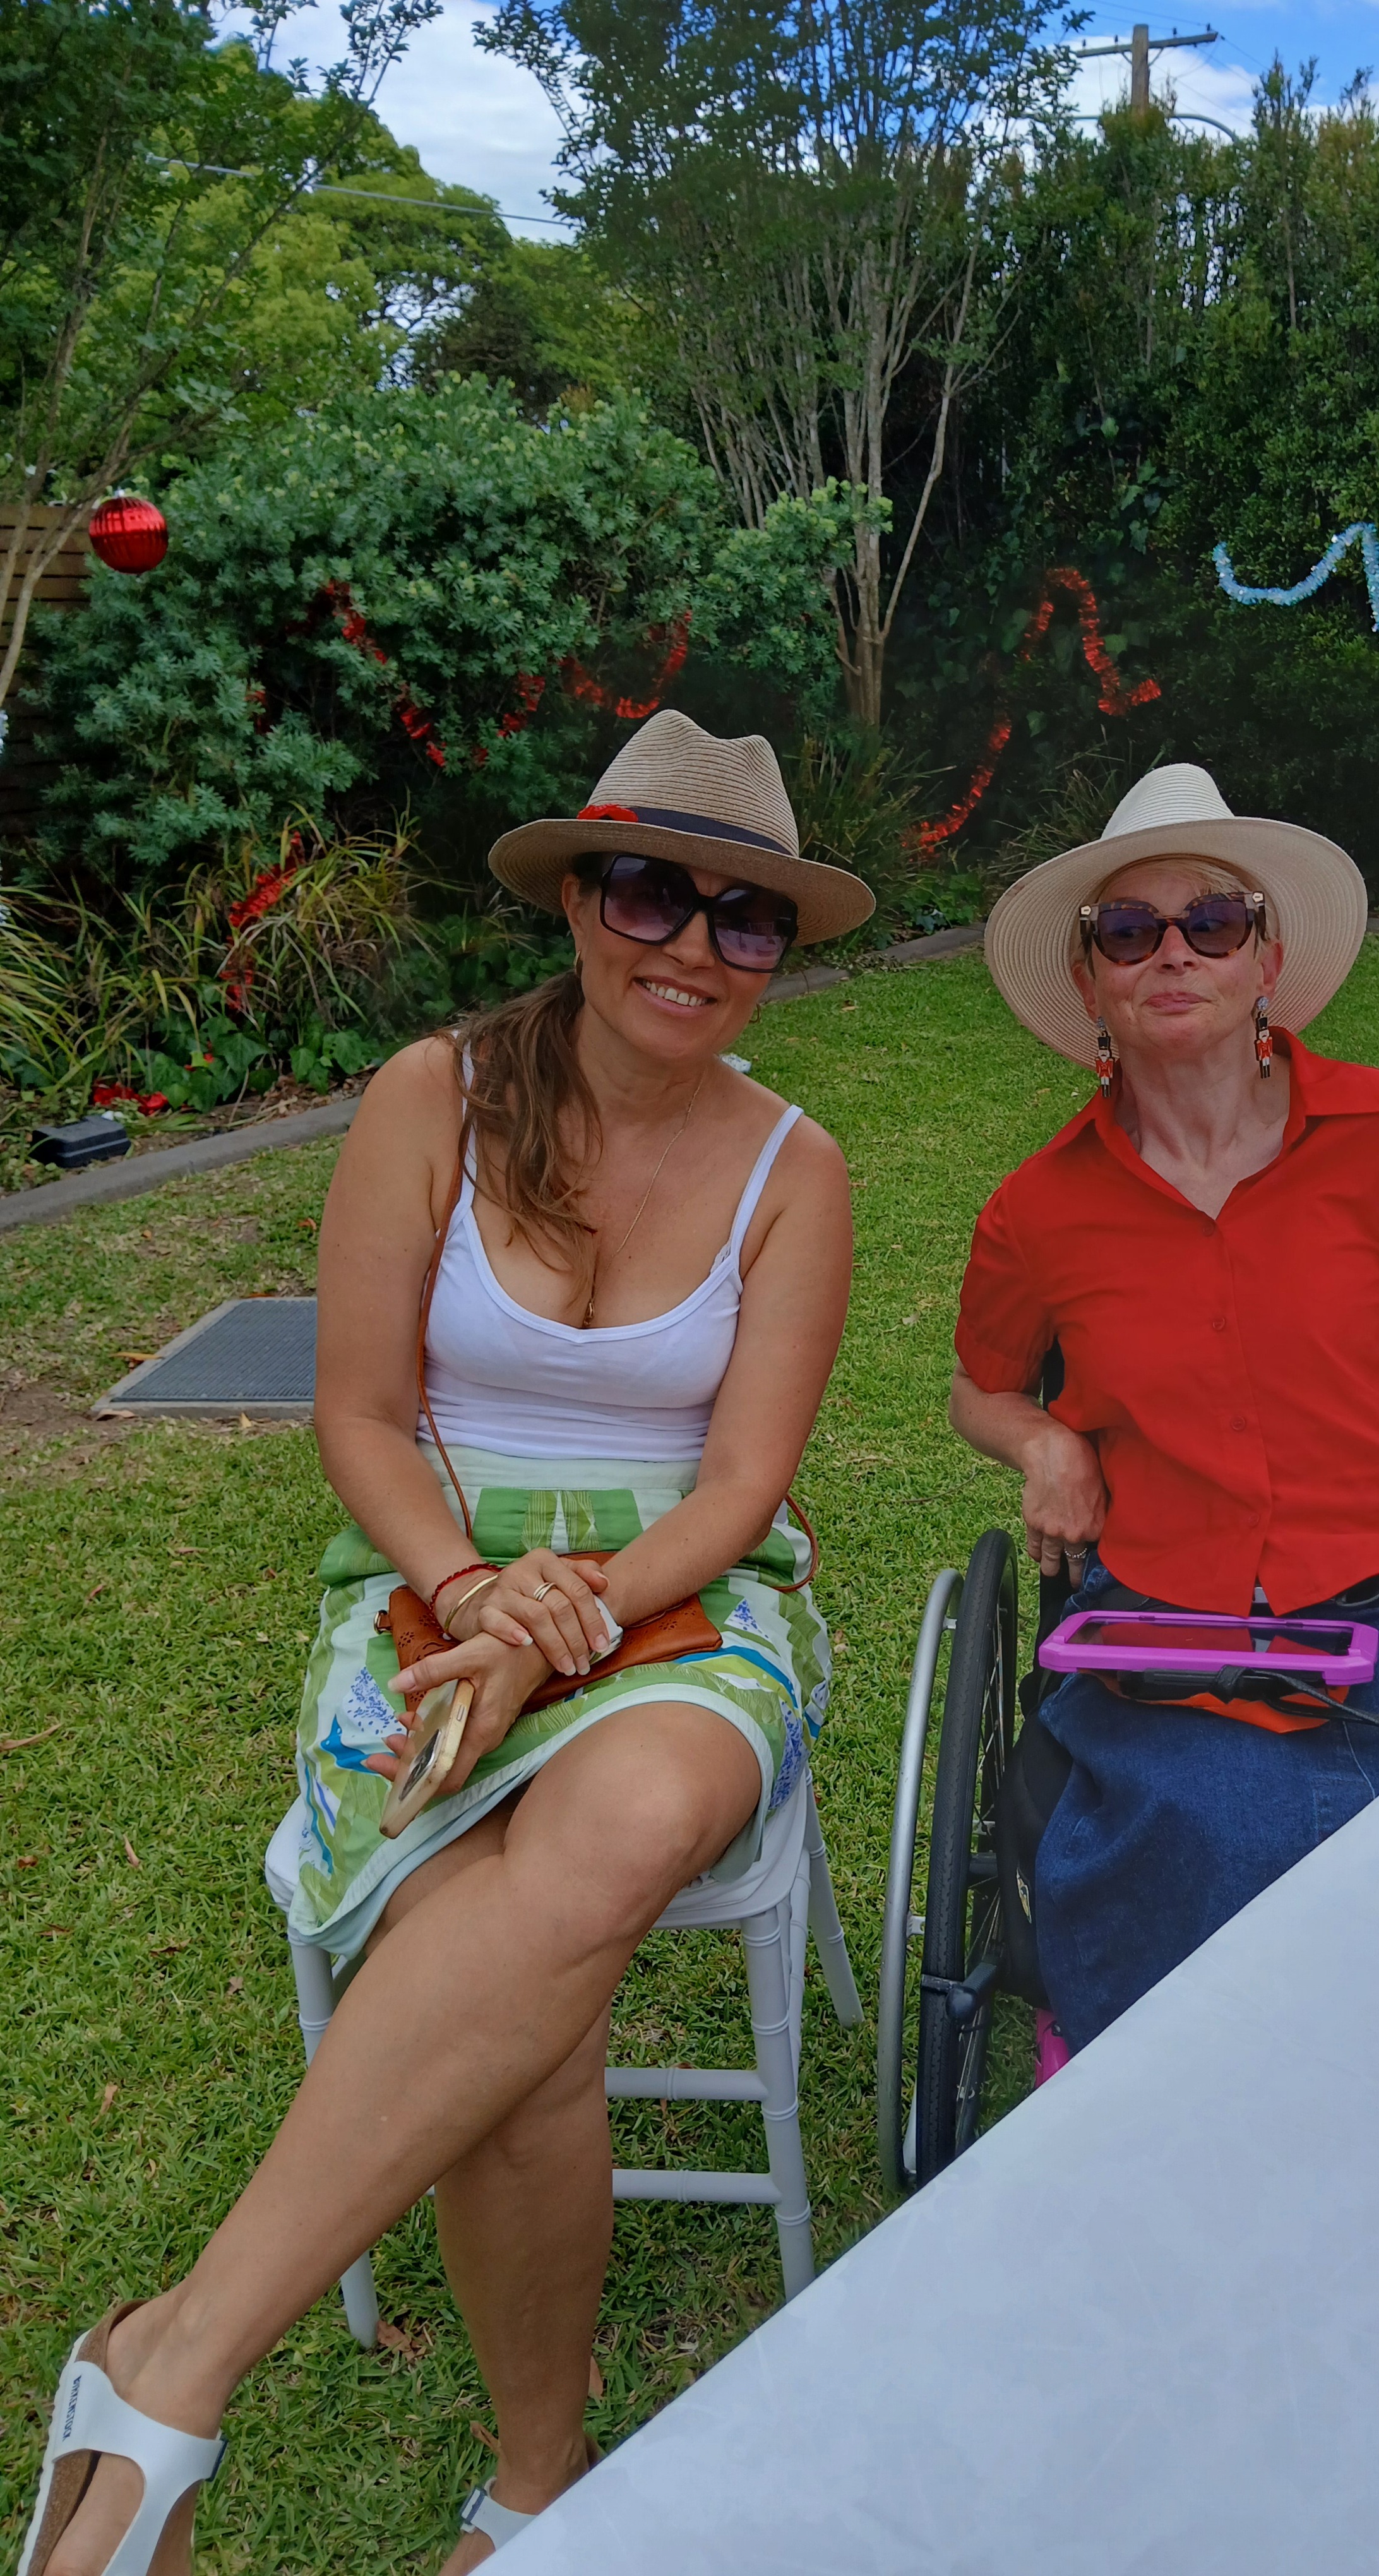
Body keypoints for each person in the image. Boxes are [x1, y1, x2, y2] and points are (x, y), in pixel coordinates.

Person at [23, 712, 873, 2576]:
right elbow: (357, 1417)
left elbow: (740, 1492)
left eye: (749, 922)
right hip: (422, 1574)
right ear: (579, 897)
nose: (694, 947)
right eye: (655, 888)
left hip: (686, 1601)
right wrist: (482, 1600)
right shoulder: (435, 1096)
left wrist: (578, 1616)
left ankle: (170, 2367)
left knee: (630, 1816)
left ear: (779, 958)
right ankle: (537, 2485)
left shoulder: (794, 1168)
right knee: (524, 2000)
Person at [950, 760, 1379, 2053]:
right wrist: (1041, 1433)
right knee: (1197, 1823)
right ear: (1092, 980)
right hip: (1158, 1628)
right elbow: (980, 1388)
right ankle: (1174, 2107)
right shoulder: (1038, 1209)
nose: (1172, 953)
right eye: (1130, 930)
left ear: (1265, 956)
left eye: (1211, 922)